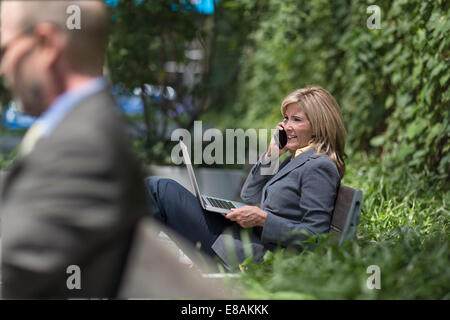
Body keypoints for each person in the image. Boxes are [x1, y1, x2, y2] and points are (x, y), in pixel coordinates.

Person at [0, 1, 147, 298]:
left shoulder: (84, 144)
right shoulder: (79, 127)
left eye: (4, 51)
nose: (3, 69)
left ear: (46, 44)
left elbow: (10, 271)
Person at [145, 86, 347, 269]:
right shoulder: (294, 159)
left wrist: (263, 219)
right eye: (286, 118)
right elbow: (249, 194)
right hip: (239, 240)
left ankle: (133, 268)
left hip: (251, 254)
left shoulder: (319, 166)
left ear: (319, 126)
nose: (286, 126)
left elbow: (315, 236)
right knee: (158, 188)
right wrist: (271, 156)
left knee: (158, 189)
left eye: (297, 119)